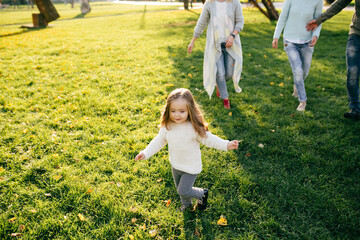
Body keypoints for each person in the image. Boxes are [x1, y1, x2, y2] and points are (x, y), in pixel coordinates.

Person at [135, 88, 239, 211]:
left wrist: (226, 144)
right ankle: (187, 206)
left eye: (182, 111)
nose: (177, 115)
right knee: (181, 191)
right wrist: (145, 152)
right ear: (168, 110)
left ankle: (202, 194)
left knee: (183, 190)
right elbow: (158, 142)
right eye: (173, 111)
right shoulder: (168, 126)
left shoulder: (193, 128)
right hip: (176, 165)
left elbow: (210, 139)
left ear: (190, 110)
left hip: (191, 167)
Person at [306, 0, 360, 120]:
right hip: (357, 34)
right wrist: (319, 19)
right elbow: (340, 3)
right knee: (352, 72)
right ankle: (355, 108)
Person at [187, 0, 244, 109]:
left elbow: (240, 22)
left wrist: (232, 36)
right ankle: (225, 98)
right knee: (220, 73)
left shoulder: (234, 2)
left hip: (231, 44)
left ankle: (219, 84)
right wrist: (193, 41)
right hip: (215, 45)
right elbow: (201, 22)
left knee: (229, 74)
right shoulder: (209, 3)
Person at [272, 0, 323, 112]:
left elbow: (319, 20)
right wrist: (276, 36)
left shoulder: (318, 1)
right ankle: (302, 101)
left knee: (304, 71)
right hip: (290, 40)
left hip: (307, 42)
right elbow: (283, 17)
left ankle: (297, 85)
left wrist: (315, 35)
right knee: (298, 71)